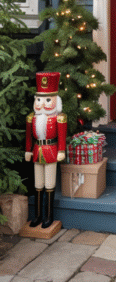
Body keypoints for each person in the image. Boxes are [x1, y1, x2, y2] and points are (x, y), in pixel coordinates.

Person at [25, 72, 67, 228]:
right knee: (38, 184)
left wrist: (61, 150)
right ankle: (37, 216)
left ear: (56, 101)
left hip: (51, 150)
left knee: (49, 184)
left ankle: (49, 216)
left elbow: (61, 136)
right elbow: (29, 137)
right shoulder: (32, 118)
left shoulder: (59, 118)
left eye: (47, 100)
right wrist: (28, 150)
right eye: (39, 100)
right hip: (37, 150)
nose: (42, 104)